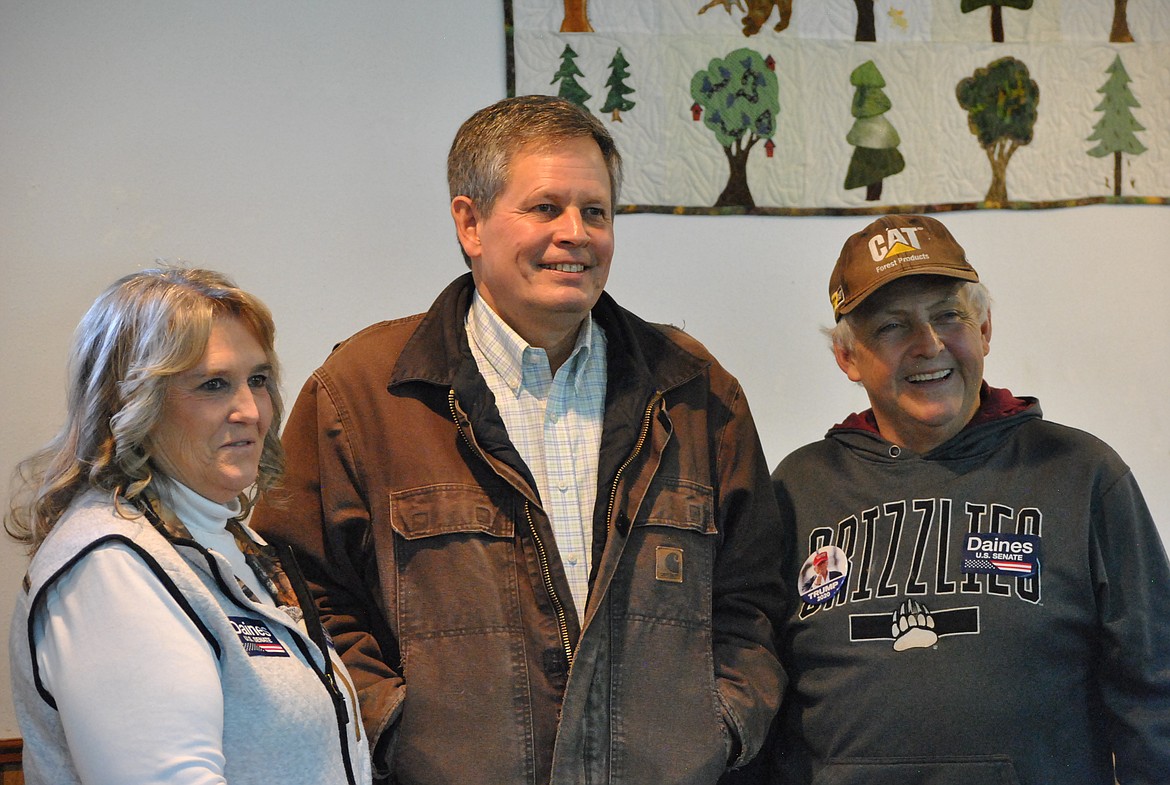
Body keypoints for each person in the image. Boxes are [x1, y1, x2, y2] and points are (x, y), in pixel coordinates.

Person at [249, 94, 786, 785]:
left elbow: (755, 598)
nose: (577, 233)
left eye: (595, 211)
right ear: (469, 222)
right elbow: (297, 592)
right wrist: (392, 729)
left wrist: (720, 725)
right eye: (546, 208)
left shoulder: (695, 392)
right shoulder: (362, 395)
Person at [768, 214, 1170, 784]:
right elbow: (759, 689)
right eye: (891, 326)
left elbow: (1155, 692)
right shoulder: (798, 489)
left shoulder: (1082, 476)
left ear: (983, 329)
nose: (928, 344)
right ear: (848, 358)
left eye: (948, 316)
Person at [7, 268, 372, 785]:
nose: (250, 410)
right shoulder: (112, 569)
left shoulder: (216, 541)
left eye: (259, 380)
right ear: (132, 404)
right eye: (213, 385)